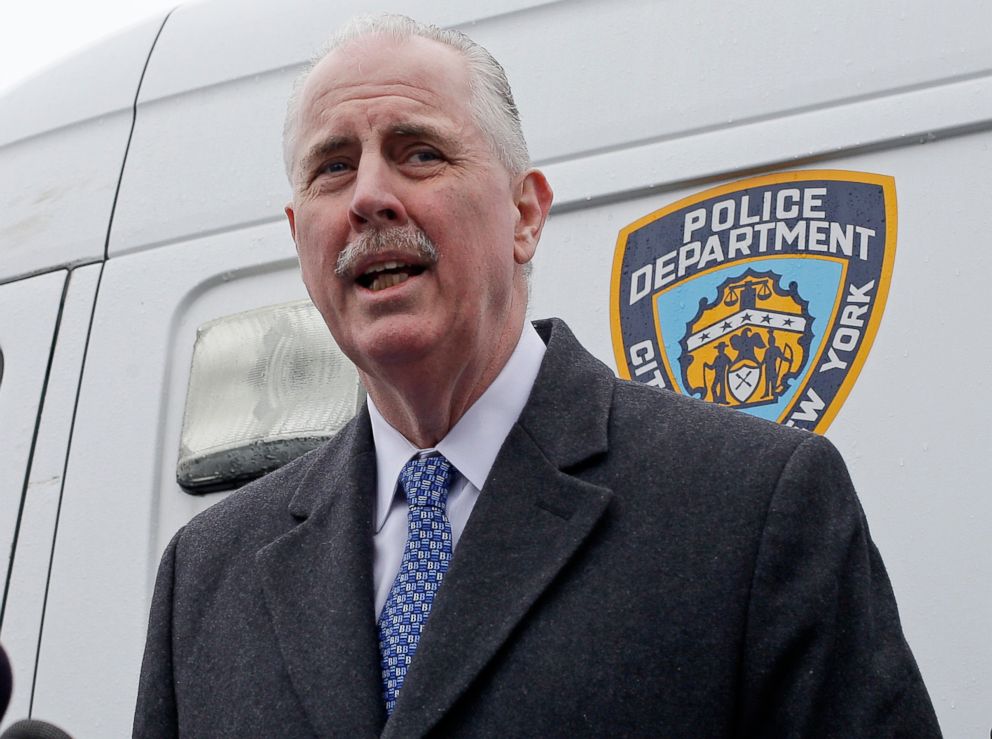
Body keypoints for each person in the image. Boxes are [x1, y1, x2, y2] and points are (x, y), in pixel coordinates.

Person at [134, 14, 941, 737]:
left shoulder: (751, 506)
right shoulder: (205, 578)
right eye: (333, 168)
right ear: (298, 234)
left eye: (419, 153)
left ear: (526, 215)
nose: (371, 196)